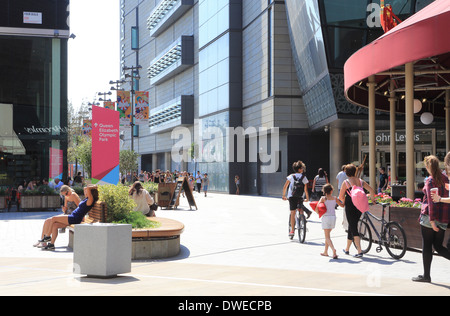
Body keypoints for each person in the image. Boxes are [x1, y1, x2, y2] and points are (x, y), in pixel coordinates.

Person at [413, 155, 450, 283]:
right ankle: (426, 275)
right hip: (444, 217)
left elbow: (431, 201)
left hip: (430, 217)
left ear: (429, 167)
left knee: (427, 246)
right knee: (439, 246)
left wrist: (433, 221)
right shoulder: (446, 179)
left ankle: (426, 276)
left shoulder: (430, 180)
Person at [33, 185, 99, 251]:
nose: (85, 192)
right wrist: (92, 187)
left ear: (90, 193)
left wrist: (94, 187)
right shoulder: (87, 199)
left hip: (75, 218)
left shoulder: (90, 200)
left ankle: (47, 236)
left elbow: (87, 188)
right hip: (73, 217)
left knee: (53, 219)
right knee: (55, 225)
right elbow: (85, 188)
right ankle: (51, 245)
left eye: (87, 191)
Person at [339, 164, 375, 258]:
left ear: (346, 173)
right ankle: (347, 249)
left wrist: (342, 202)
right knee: (352, 224)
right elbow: (371, 190)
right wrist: (372, 199)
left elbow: (341, 196)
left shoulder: (346, 182)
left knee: (353, 226)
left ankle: (359, 251)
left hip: (350, 205)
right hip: (359, 206)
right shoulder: (360, 181)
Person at [282, 161, 312, 238]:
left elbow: (285, 186)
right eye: (302, 168)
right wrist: (307, 198)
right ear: (299, 169)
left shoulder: (291, 176)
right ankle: (302, 221)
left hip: (291, 196)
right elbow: (305, 189)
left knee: (293, 212)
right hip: (300, 196)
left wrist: (283, 196)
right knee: (300, 209)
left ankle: (292, 230)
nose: (303, 169)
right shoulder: (303, 177)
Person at [314, 184, 344, 259]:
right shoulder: (334, 198)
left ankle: (333, 250)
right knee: (327, 236)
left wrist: (319, 213)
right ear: (331, 191)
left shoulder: (323, 198)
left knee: (327, 237)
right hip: (333, 217)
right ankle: (325, 252)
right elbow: (342, 205)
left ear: (324, 191)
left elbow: (317, 208)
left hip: (326, 217)